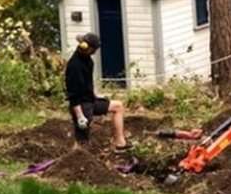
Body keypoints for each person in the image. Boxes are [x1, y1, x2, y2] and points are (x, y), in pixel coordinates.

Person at [65, 32, 203, 151]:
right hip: (81, 105)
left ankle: (120, 143)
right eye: (94, 49)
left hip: (90, 100)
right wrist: (79, 115)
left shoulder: (87, 60)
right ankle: (76, 160)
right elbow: (73, 94)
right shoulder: (75, 66)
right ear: (88, 48)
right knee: (82, 136)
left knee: (117, 106)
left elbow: (88, 81)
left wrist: (96, 95)